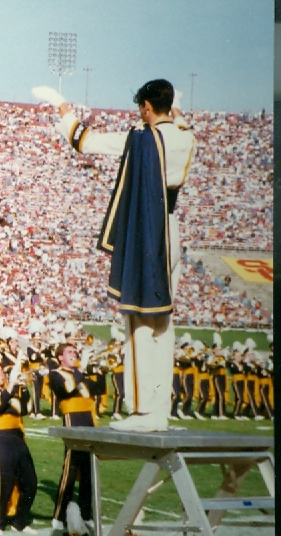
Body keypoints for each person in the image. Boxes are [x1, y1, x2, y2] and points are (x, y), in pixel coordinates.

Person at [37, 79, 196, 432]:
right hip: (171, 229)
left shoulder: (139, 139)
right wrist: (175, 109)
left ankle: (143, 413)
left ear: (145, 107)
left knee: (139, 320)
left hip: (146, 231)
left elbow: (85, 141)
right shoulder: (186, 136)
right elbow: (180, 123)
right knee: (163, 324)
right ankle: (160, 410)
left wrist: (63, 107)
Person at [0, 360, 38, 534]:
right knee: (4, 482)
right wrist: (10, 386)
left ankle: (20, 521)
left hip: (17, 438)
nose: (1, 374)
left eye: (2, 371)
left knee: (30, 481)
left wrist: (24, 387)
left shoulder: (10, 392)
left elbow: (25, 408)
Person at [48, 343, 103, 531]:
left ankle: (86, 514)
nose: (74, 354)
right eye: (70, 352)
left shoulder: (80, 374)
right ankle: (59, 515)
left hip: (89, 420)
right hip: (73, 420)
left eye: (75, 351)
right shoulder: (55, 374)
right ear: (60, 357)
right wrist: (81, 369)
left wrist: (100, 370)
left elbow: (98, 389)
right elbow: (67, 390)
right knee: (70, 469)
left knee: (89, 469)